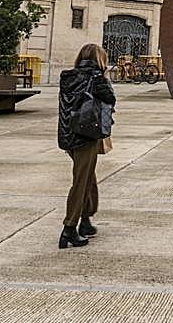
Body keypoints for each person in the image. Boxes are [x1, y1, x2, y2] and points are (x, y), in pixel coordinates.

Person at [57, 43, 116, 249]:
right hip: (87, 135)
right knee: (81, 182)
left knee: (88, 177)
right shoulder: (96, 79)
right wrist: (105, 78)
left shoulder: (68, 77)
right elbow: (110, 99)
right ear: (100, 60)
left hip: (68, 135)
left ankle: (86, 221)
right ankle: (69, 228)